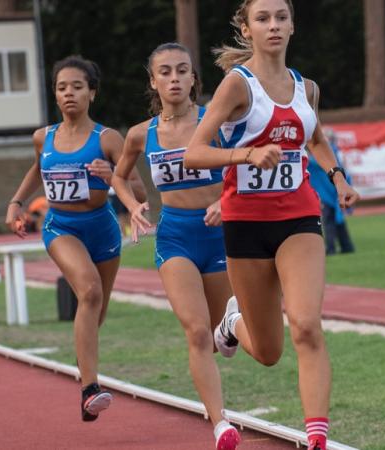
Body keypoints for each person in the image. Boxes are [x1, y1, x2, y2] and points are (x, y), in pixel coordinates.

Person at [183, 1, 360, 449]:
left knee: (305, 325)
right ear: (247, 29)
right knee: (267, 351)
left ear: (293, 25)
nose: (274, 25)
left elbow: (315, 136)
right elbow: (194, 152)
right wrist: (246, 154)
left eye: (281, 17)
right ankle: (232, 322)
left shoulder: (307, 88)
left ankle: (316, 436)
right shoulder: (237, 86)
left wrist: (337, 178)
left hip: (299, 218)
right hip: (245, 224)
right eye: (263, 18)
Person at [110, 43, 240, 450]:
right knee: (196, 331)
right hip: (175, 236)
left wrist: (225, 199)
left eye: (182, 71)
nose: (174, 79)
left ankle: (228, 333)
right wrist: (132, 206)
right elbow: (119, 178)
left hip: (220, 235)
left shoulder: (214, 121)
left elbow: (241, 164)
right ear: (153, 81)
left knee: (223, 336)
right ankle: (221, 424)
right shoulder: (140, 135)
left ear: (193, 79)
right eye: (164, 72)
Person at [5, 55, 145, 423]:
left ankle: (84, 365)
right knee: (90, 292)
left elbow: (140, 191)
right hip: (61, 227)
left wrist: (112, 172)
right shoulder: (43, 137)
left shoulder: (109, 138)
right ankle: (90, 389)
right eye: (62, 87)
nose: (69, 94)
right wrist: (16, 203)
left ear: (92, 93)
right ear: (55, 94)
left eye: (77, 87)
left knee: (97, 310)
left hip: (103, 229)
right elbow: (38, 168)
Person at [308, 128, 355, 255]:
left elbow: (312, 162)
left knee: (329, 220)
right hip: (333, 191)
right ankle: (347, 246)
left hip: (329, 192)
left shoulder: (327, 154)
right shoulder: (336, 152)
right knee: (337, 219)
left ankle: (331, 248)